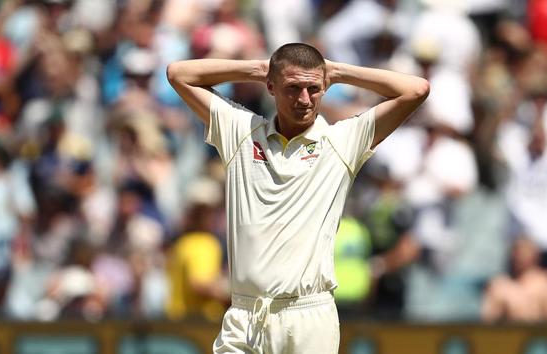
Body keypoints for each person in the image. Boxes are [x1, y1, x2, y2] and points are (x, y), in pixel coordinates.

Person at [166, 42, 429, 354]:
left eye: (313, 88)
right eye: (292, 88)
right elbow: (178, 73)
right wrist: (262, 68)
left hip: (309, 316)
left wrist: (339, 71)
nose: (304, 99)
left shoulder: (341, 141)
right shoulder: (241, 131)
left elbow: (416, 90)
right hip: (246, 315)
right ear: (271, 87)